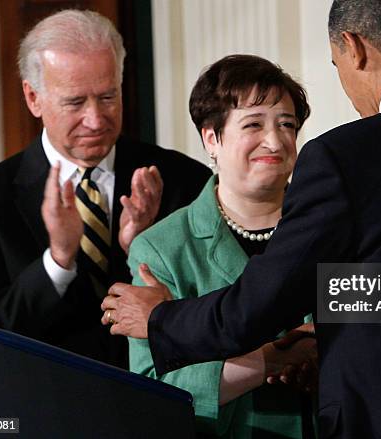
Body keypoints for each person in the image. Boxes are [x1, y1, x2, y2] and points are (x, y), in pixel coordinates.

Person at [102, 1, 381, 437]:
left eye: (286, 124)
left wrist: (162, 318)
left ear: (354, 47)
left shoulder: (345, 156)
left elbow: (255, 308)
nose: (275, 141)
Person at [0, 9, 210, 369]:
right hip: (42, 409)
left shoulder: (183, 180)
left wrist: (144, 249)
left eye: (108, 97)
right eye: (75, 102)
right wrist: (58, 260)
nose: (95, 119)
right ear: (33, 98)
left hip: (162, 403)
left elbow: (217, 309)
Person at [126, 54, 316, 438]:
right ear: (211, 138)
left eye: (287, 125)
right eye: (253, 124)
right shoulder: (161, 248)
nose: (275, 140)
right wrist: (267, 363)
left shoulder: (330, 227)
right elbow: (151, 388)